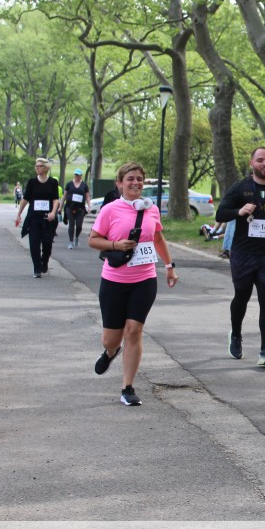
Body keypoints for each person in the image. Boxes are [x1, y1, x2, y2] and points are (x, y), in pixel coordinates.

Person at [88, 162, 179, 406]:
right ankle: (111, 352)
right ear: (119, 183)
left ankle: (127, 387)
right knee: (111, 339)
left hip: (145, 280)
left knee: (134, 331)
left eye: (139, 178)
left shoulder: (152, 209)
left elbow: (157, 237)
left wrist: (169, 266)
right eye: (130, 178)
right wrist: (116, 245)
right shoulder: (110, 210)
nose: (136, 182)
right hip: (114, 280)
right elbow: (93, 240)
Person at [215, 147, 265, 366]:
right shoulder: (240, 188)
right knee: (242, 296)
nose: (264, 164)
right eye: (260, 160)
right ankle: (236, 335)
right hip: (244, 253)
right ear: (252, 163)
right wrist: (238, 212)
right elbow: (221, 213)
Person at [14, 158, 59, 278]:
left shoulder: (53, 182)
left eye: (39, 166)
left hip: (47, 218)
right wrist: (19, 214)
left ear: (45, 168)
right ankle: (37, 269)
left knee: (47, 243)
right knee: (34, 243)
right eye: (36, 166)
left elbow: (55, 200)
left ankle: (44, 262)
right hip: (34, 218)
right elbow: (25, 199)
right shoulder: (32, 182)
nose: (37, 168)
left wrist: (53, 213)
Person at [64, 168, 90, 249]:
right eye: (75, 175)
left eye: (78, 175)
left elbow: (87, 197)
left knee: (79, 225)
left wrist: (89, 206)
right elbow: (64, 196)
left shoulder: (84, 185)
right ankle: (71, 242)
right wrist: (60, 207)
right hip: (70, 207)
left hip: (80, 208)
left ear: (81, 176)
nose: (77, 176)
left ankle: (77, 237)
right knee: (71, 224)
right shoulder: (69, 184)